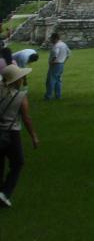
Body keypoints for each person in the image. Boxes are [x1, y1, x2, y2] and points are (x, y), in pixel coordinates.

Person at [0, 63, 41, 208]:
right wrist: (34, 136)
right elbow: (26, 118)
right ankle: (5, 193)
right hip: (12, 132)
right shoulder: (20, 96)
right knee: (18, 162)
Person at [45, 33, 70, 101]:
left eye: (51, 39)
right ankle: (58, 96)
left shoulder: (56, 46)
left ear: (55, 38)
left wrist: (52, 62)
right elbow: (68, 54)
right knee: (58, 80)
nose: (51, 40)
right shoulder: (64, 44)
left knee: (50, 81)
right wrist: (63, 62)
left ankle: (48, 96)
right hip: (61, 64)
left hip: (55, 65)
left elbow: (55, 55)